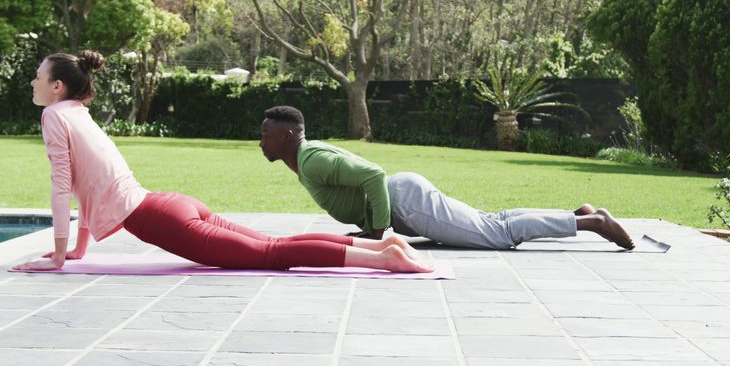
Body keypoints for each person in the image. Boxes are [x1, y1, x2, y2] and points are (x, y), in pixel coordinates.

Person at [12, 51, 431, 273]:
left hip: (159, 219)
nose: (32, 82)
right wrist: (76, 251)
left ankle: (381, 259)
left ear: (58, 86)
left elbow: (63, 186)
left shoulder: (53, 115)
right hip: (169, 204)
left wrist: (58, 254)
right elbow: (89, 184)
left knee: (270, 254)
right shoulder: (77, 115)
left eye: (37, 76)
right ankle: (380, 244)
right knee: (273, 246)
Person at [259, 105, 635, 250]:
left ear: (287, 137)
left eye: (266, 134)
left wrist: (376, 233)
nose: (261, 140)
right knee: (494, 222)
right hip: (408, 199)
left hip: (408, 202)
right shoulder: (308, 157)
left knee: (497, 236)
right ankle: (577, 212)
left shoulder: (311, 161)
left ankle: (592, 222)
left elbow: (373, 176)